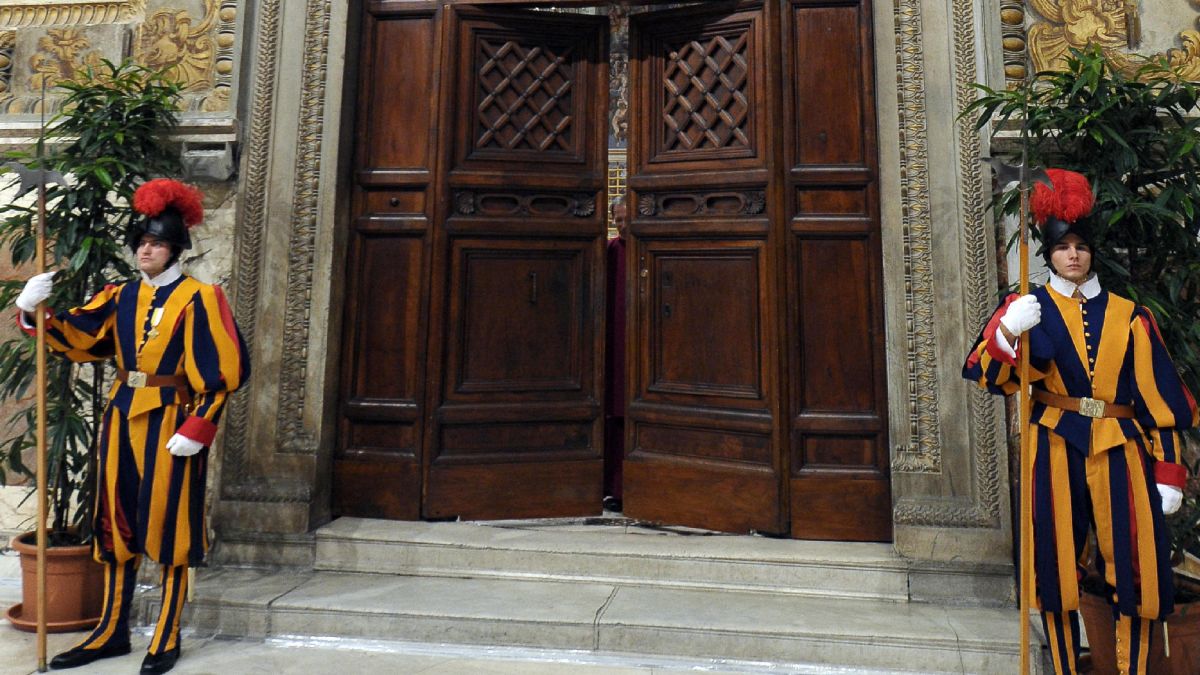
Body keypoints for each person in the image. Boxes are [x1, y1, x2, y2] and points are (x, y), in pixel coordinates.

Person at [963, 168, 1197, 674]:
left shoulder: (1129, 315)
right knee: (1055, 569)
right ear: (1048, 254)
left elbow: (1160, 401)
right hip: (1053, 442)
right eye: (1063, 247)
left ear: (1092, 253)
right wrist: (1007, 331)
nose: (1073, 254)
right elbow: (985, 372)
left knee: (1138, 572)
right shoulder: (1029, 307)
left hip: (1121, 447)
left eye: (1081, 247)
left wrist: (1169, 471)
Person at [14, 178, 250, 674]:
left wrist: (198, 426)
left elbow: (224, 372)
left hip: (172, 421)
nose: (145, 249)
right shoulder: (118, 296)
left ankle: (166, 632)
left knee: (170, 530)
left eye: (156, 243)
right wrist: (34, 310)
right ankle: (111, 631)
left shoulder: (201, 299)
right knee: (115, 525)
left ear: (176, 251)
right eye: (141, 242)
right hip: (121, 419)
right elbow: (78, 336)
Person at [603, 195, 628, 512]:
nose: (623, 225)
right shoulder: (610, 251)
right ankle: (613, 487)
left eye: (626, 218)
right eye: (618, 219)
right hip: (613, 337)